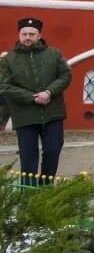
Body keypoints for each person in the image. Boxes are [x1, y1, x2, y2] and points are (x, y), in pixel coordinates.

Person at [0, 17, 71, 181]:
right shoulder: (8, 60)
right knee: (28, 157)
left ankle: (46, 188)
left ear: (39, 36)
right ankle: (29, 193)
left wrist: (49, 92)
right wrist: (31, 98)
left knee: (53, 150)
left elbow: (65, 75)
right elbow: (4, 85)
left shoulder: (53, 54)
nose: (27, 38)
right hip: (25, 115)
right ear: (19, 35)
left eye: (32, 34)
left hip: (52, 112)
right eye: (24, 34)